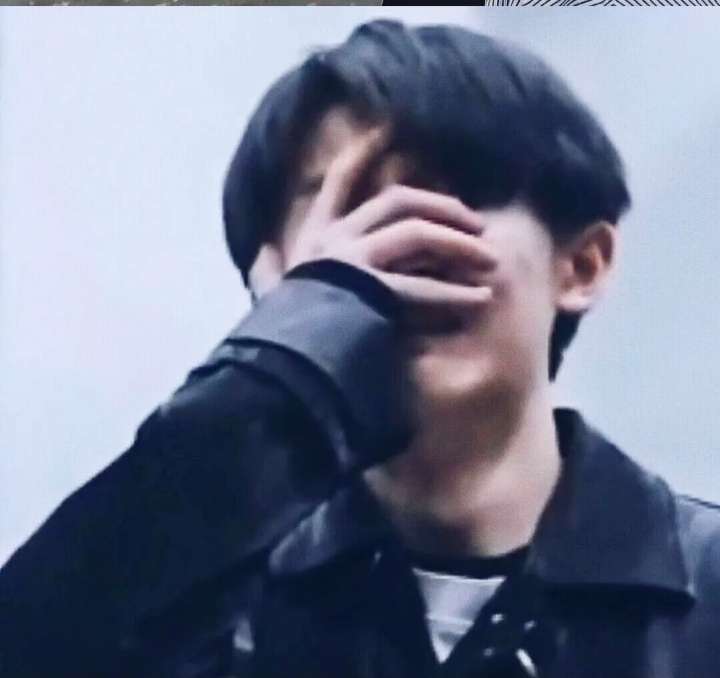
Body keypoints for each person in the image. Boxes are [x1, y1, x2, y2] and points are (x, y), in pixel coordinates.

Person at [1, 19, 718, 678]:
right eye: (350, 207)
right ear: (276, 277)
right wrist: (303, 342)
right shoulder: (217, 607)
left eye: (454, 197)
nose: (403, 244)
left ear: (581, 264)